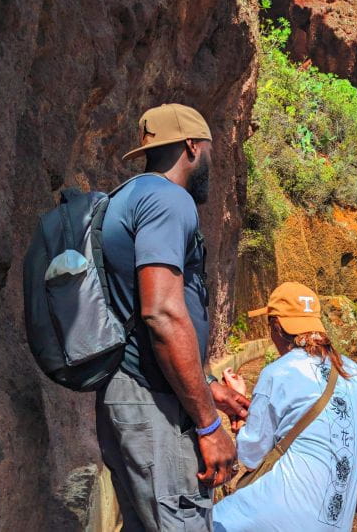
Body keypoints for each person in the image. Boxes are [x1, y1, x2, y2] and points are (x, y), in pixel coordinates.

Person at [96, 103, 250, 531]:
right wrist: (207, 425)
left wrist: (207, 389)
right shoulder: (169, 200)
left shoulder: (129, 196)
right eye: (210, 152)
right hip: (152, 406)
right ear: (192, 147)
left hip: (133, 392)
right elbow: (161, 313)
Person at [213, 282, 357, 531]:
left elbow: (252, 457)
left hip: (273, 512)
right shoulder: (356, 373)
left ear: (275, 327)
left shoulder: (276, 373)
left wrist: (238, 407)